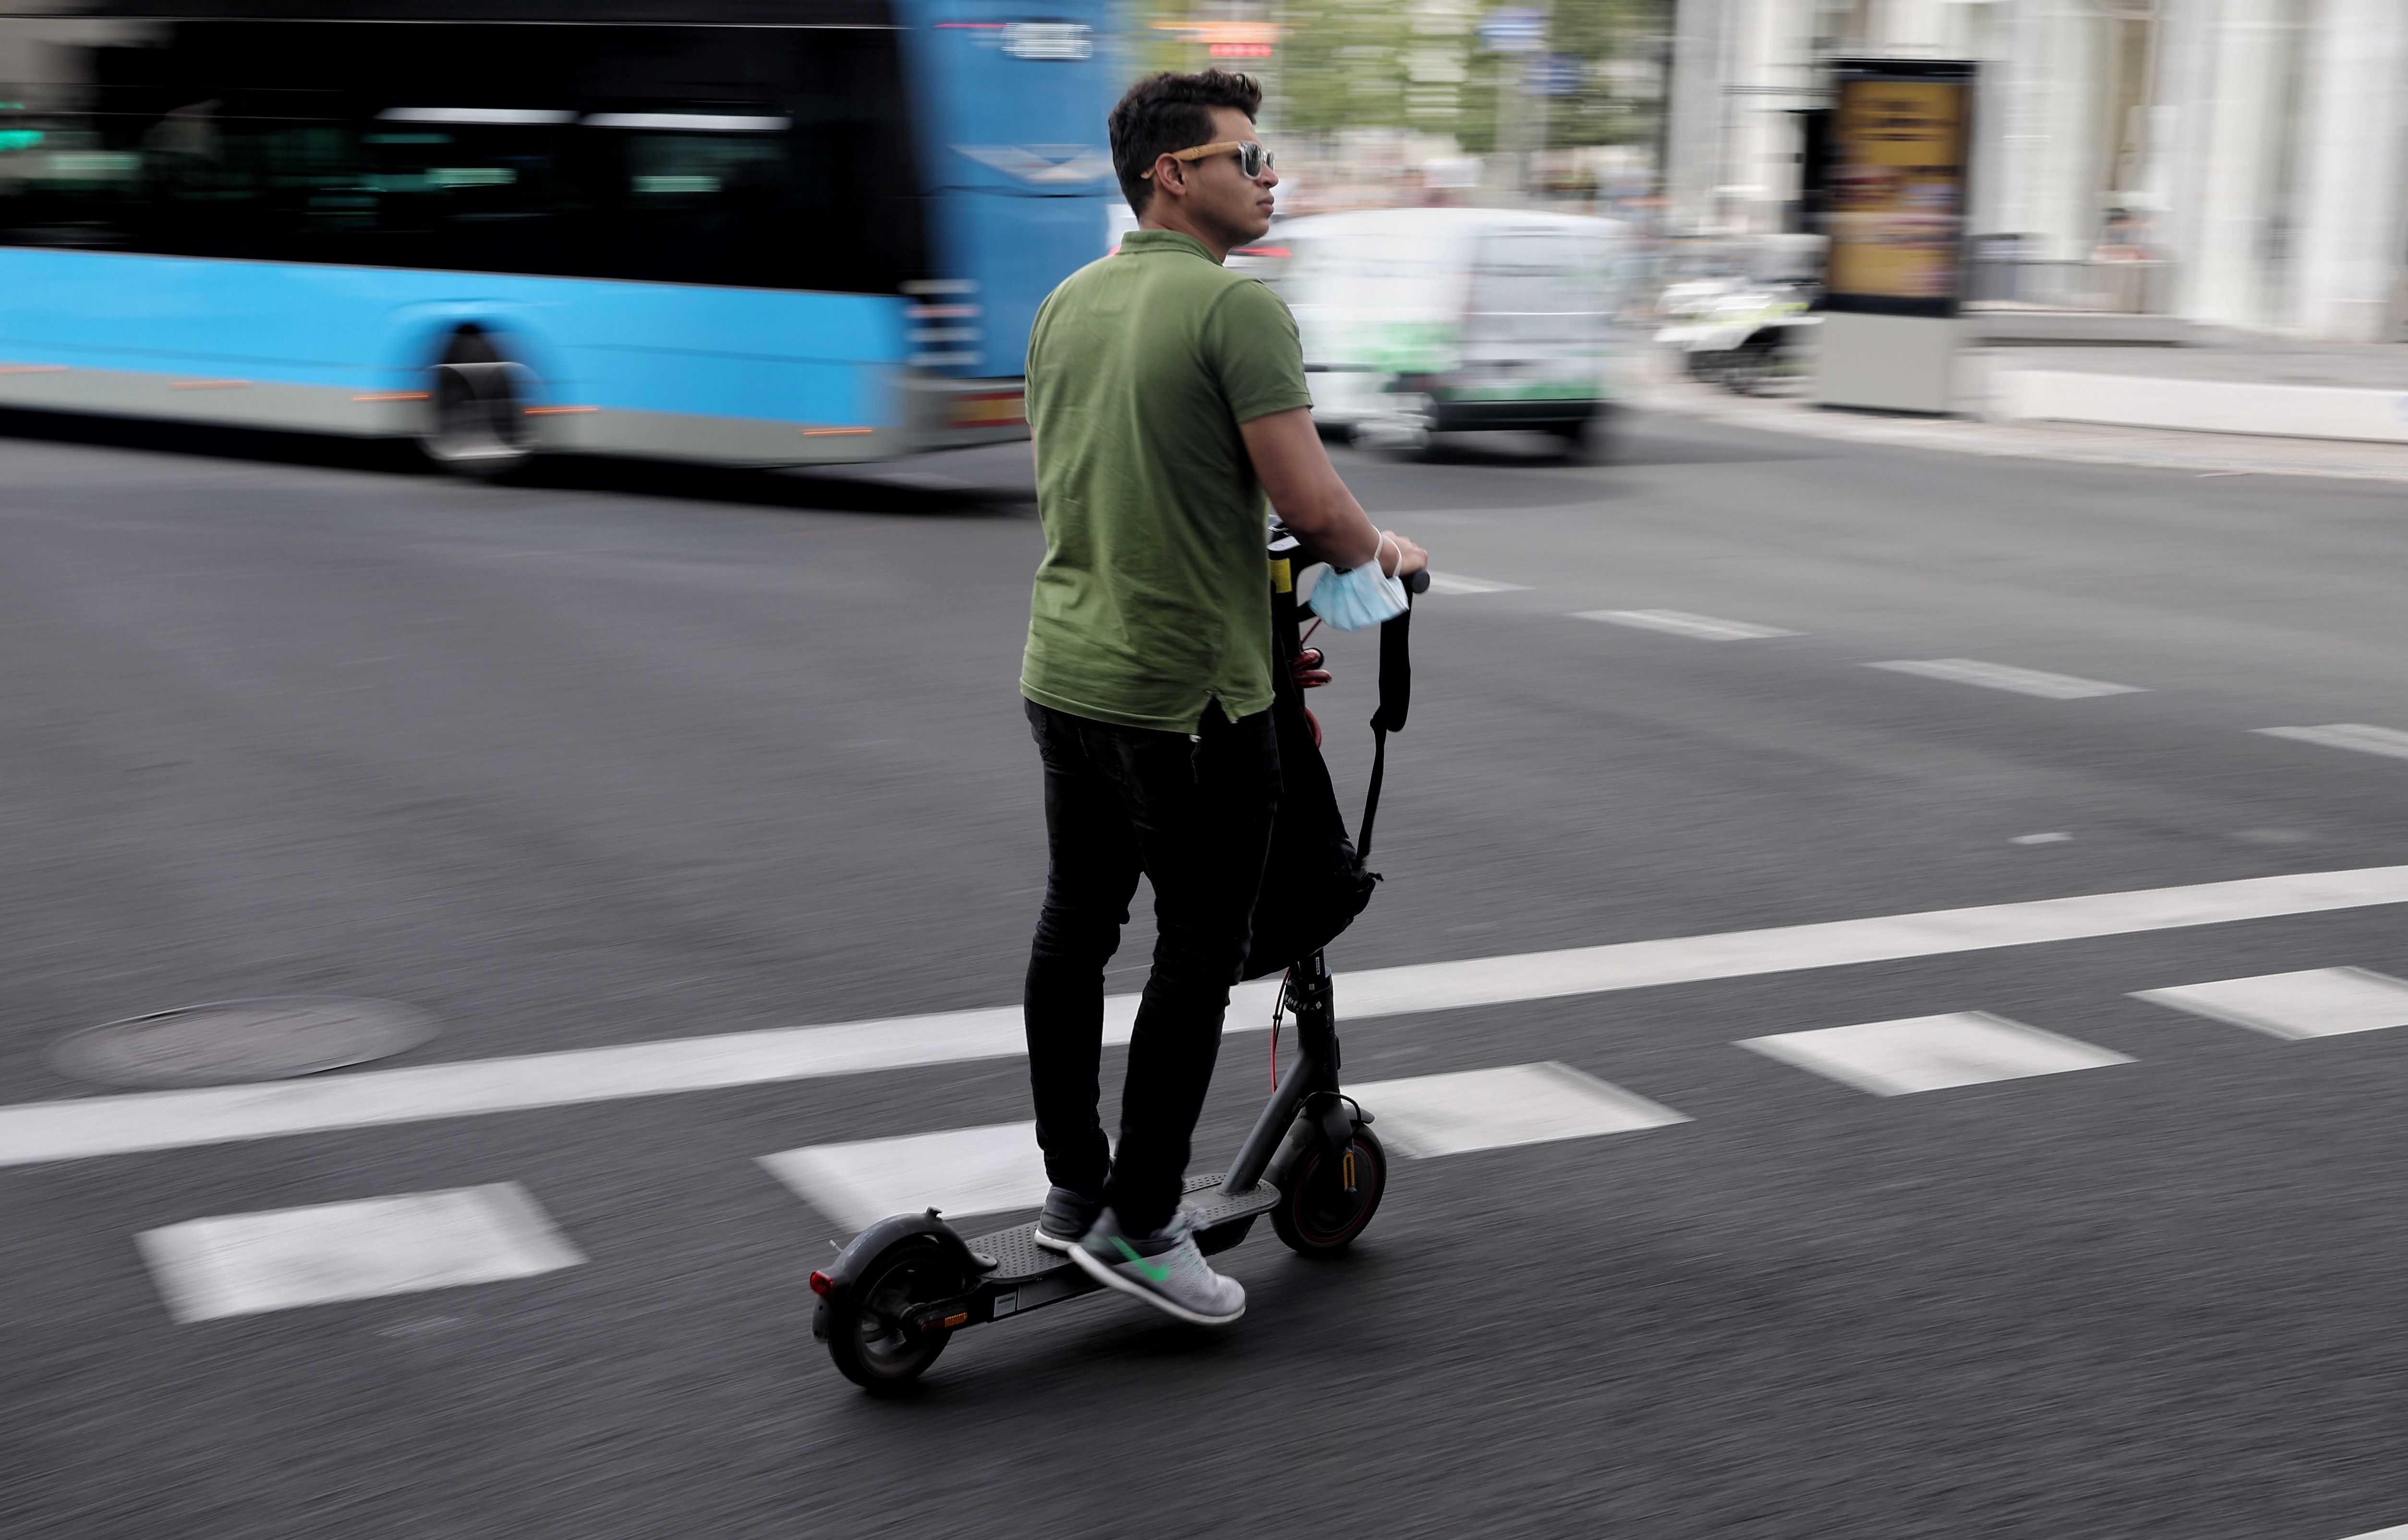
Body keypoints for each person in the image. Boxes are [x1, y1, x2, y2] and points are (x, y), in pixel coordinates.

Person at [1017, 68, 1428, 1327]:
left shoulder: (1067, 305)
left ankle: (1074, 1192)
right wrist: (1382, 559)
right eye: (1246, 158)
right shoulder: (1236, 311)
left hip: (1066, 672)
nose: (1268, 179)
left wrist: (1272, 594)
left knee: (1077, 928)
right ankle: (1148, 1224)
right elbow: (1307, 503)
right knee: (1196, 949)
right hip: (1189, 701)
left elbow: (1145, 501)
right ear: (1171, 175)